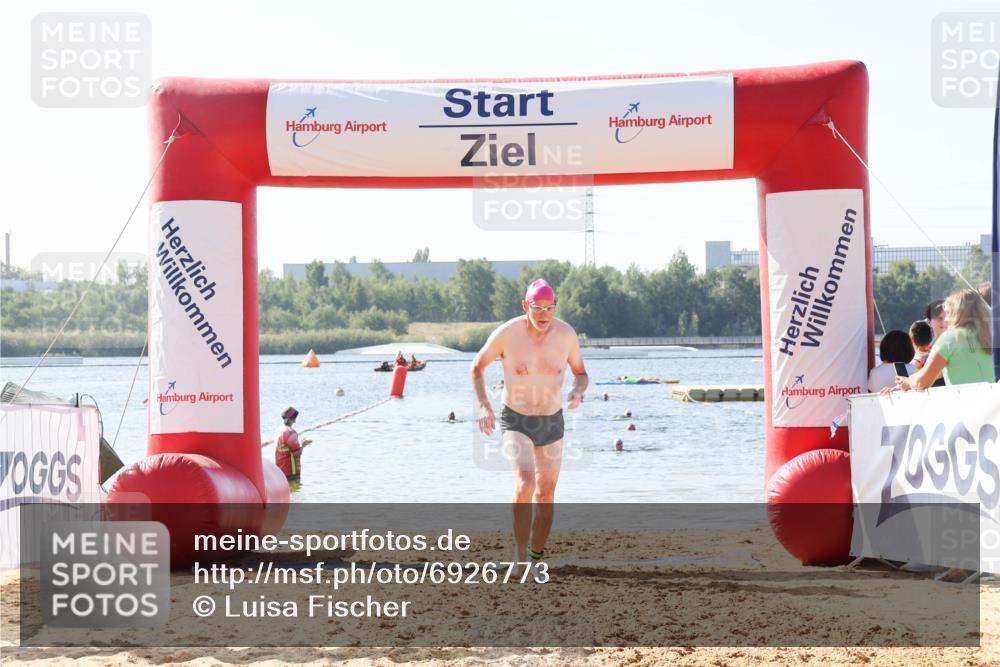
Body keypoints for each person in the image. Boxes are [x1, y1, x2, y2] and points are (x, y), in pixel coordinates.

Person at [471, 278, 588, 566]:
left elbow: (581, 373)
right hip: (516, 419)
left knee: (546, 495)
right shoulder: (507, 334)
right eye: (538, 308)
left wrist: (577, 390)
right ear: (526, 306)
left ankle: (536, 557)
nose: (544, 314)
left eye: (550, 308)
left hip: (552, 421)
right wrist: (485, 407)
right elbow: (477, 367)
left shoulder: (566, 335)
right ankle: (519, 555)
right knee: (525, 484)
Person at [888, 289, 994, 392]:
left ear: (957, 313)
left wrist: (908, 383)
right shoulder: (988, 338)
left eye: (948, 313)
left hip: (963, 405)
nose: (946, 319)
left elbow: (922, 382)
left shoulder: (950, 339)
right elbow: (938, 372)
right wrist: (909, 380)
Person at [275, 406, 311, 482]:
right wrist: (303, 445)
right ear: (292, 418)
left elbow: (287, 447)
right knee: (295, 491)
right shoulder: (290, 432)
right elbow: (297, 453)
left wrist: (300, 443)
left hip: (280, 471)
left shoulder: (279, 430)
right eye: (295, 417)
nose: (295, 420)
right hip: (291, 472)